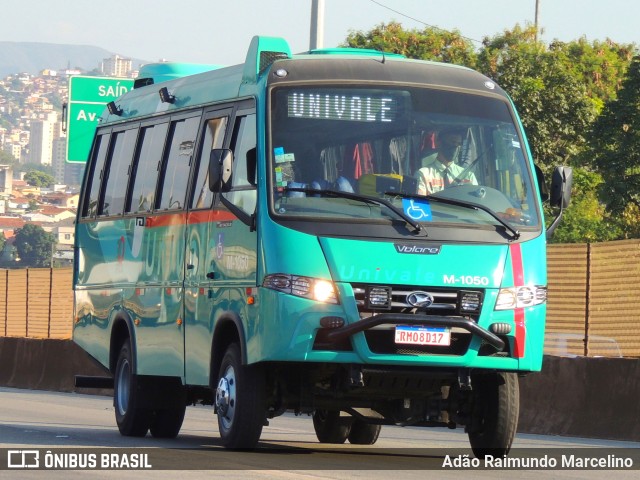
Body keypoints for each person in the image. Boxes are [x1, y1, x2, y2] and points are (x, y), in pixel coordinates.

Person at [415, 128, 477, 195]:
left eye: (459, 144)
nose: (456, 147)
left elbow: (476, 201)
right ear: (439, 143)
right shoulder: (423, 175)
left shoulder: (468, 176)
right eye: (452, 142)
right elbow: (419, 204)